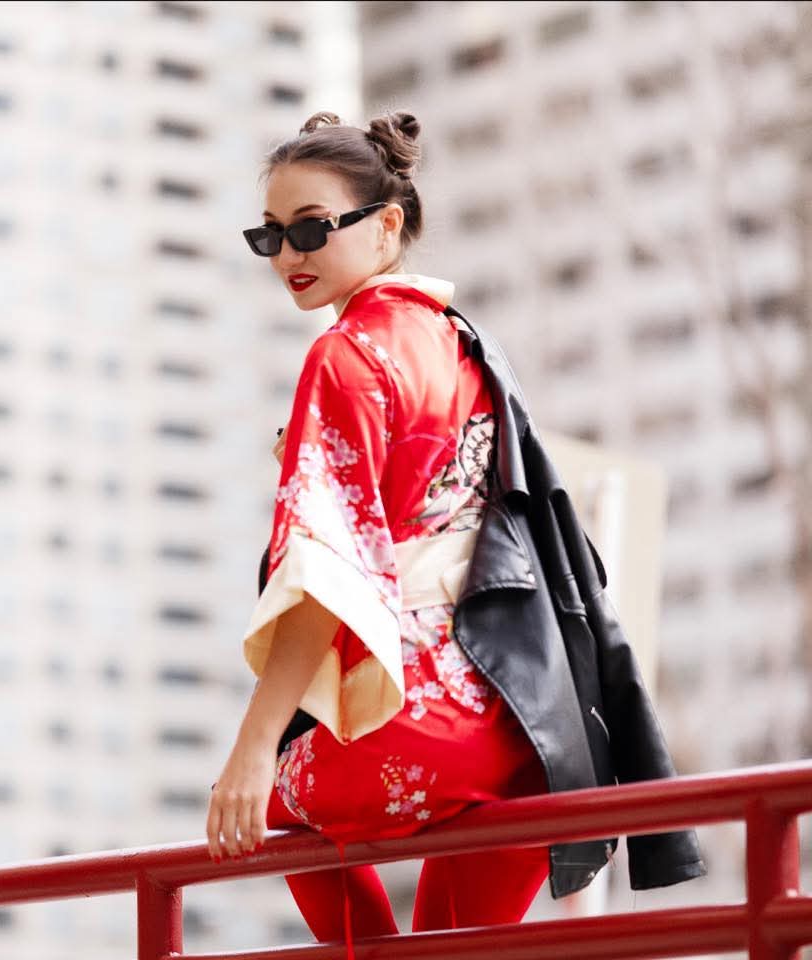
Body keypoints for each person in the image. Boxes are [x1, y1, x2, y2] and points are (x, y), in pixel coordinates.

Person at [205, 109, 559, 940]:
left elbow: (326, 574)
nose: (289, 255)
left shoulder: (344, 356)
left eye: (311, 228)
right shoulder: (461, 342)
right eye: (270, 237)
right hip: (524, 725)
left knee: (264, 804)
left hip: (427, 724)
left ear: (387, 225)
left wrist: (253, 750)